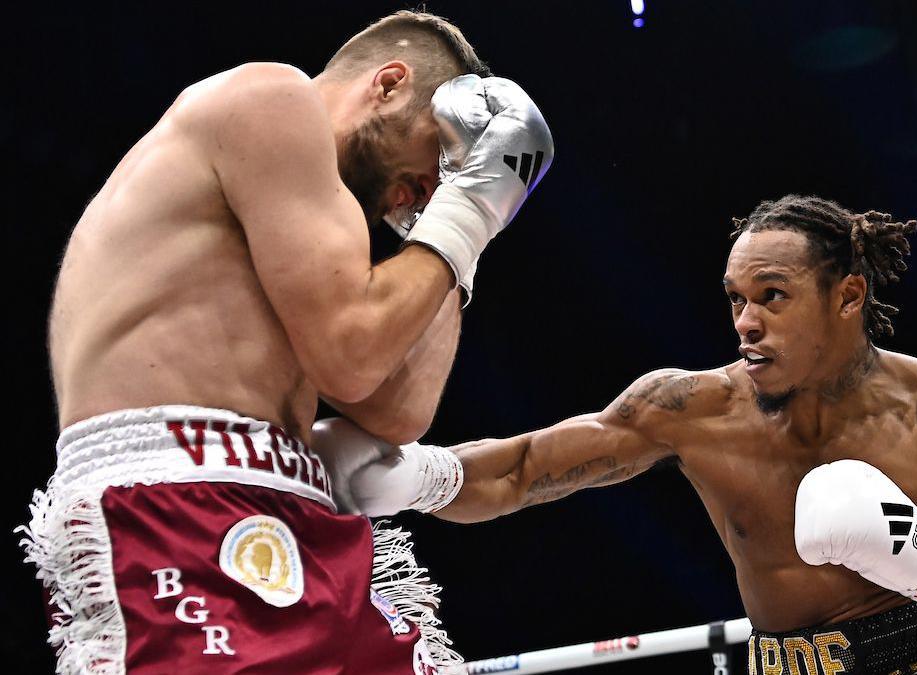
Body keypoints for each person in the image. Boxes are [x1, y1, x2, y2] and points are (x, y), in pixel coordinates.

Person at [317, 196, 917, 675]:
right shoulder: (694, 407)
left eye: (773, 297)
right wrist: (415, 477)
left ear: (849, 295)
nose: (746, 322)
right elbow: (524, 468)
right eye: (735, 299)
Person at [19, 9, 553, 674]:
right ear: (389, 83)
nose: (432, 188)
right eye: (434, 155)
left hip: (296, 520)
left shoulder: (332, 232)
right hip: (177, 503)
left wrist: (456, 217)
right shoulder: (270, 99)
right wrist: (470, 204)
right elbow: (353, 359)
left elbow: (399, 410)